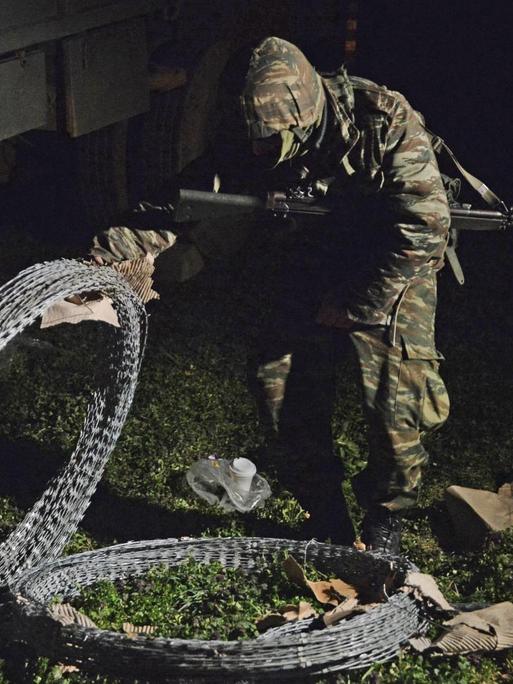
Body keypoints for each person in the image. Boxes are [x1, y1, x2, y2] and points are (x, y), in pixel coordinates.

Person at [90, 37, 451, 554]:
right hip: (310, 257)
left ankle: (384, 517)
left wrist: (351, 305)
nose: (258, 152)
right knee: (276, 384)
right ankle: (325, 514)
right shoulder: (255, 131)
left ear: (303, 120)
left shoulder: (384, 121)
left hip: (388, 262)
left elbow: (422, 234)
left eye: (271, 143)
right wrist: (106, 255)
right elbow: (178, 205)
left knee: (398, 395)